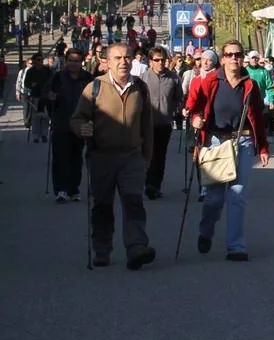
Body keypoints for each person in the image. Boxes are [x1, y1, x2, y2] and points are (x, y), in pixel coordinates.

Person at [69, 43, 157, 270]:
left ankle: (137, 247)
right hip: (102, 157)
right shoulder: (94, 88)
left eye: (127, 57)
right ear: (107, 61)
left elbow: (147, 125)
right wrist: (82, 129)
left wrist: (147, 157)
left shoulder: (140, 88)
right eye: (117, 58)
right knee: (103, 205)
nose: (123, 62)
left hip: (132, 157)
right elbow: (77, 118)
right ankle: (102, 248)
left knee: (134, 202)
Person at [185, 40, 269, 261]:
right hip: (215, 142)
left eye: (238, 55)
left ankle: (236, 246)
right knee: (213, 198)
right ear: (222, 59)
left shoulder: (250, 84)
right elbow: (193, 107)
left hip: (242, 142)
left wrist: (262, 146)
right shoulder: (210, 81)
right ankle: (206, 230)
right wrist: (196, 120)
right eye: (230, 55)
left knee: (237, 194)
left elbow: (258, 118)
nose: (234, 59)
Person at [46, 49, 93, 202]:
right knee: (60, 157)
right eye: (71, 60)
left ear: (82, 62)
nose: (73, 64)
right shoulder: (57, 77)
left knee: (76, 157)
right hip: (61, 122)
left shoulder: (87, 78)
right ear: (66, 62)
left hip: (80, 123)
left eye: (77, 61)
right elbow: (46, 96)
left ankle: (74, 189)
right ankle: (61, 189)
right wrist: (50, 99)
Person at [142, 46, 183, 200]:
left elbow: (178, 99)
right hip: (146, 123)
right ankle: (147, 182)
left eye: (163, 60)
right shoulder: (143, 78)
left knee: (160, 156)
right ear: (150, 62)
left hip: (164, 123)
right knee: (147, 154)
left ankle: (155, 185)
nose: (160, 63)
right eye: (156, 60)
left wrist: (175, 111)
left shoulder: (173, 78)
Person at [244, 51, 274, 144]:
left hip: (259, 100)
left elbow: (270, 86)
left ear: (258, 59)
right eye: (252, 58)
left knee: (261, 120)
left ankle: (261, 138)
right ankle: (250, 139)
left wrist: (271, 101)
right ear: (249, 59)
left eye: (256, 58)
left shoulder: (264, 72)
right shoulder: (245, 71)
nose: (254, 60)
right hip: (246, 101)